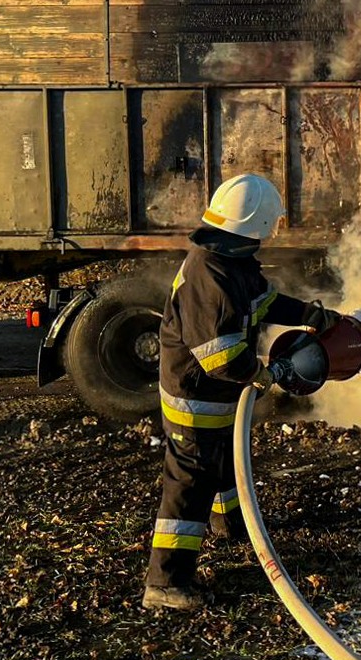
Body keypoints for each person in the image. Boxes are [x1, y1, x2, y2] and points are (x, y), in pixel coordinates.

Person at [143, 173, 335, 611]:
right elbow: (221, 358)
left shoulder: (232, 262)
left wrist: (309, 314)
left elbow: (263, 302)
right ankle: (165, 582)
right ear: (259, 225)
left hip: (216, 395)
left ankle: (229, 521)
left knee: (227, 459)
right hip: (196, 395)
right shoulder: (210, 275)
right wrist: (263, 373)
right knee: (190, 480)